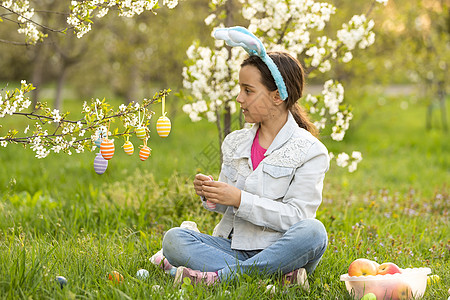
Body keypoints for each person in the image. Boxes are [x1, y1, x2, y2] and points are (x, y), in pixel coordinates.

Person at [162, 26, 329, 288]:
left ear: (277, 96)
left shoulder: (309, 150)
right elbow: (228, 207)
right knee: (174, 239)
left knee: (314, 232)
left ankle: (219, 277)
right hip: (232, 246)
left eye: (248, 91)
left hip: (283, 249)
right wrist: (212, 194)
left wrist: (240, 199)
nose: (239, 98)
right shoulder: (236, 142)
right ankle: (274, 276)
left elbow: (298, 218)